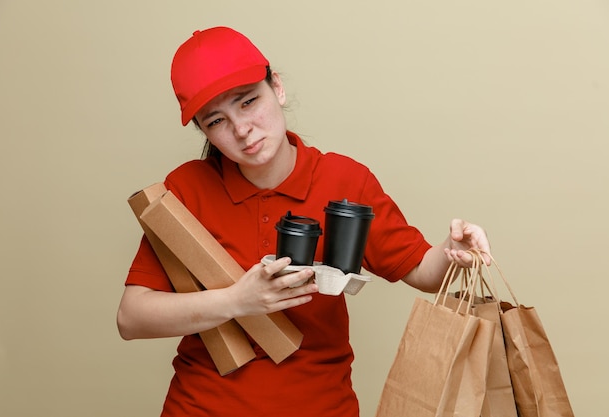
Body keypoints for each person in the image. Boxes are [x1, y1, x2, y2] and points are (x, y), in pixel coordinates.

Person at [117, 26, 492, 417]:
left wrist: (454, 252)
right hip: (201, 406)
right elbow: (131, 317)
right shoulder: (187, 188)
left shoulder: (345, 181)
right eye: (216, 121)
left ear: (276, 87)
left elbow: (422, 271)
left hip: (321, 406)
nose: (241, 130)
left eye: (247, 102)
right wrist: (236, 301)